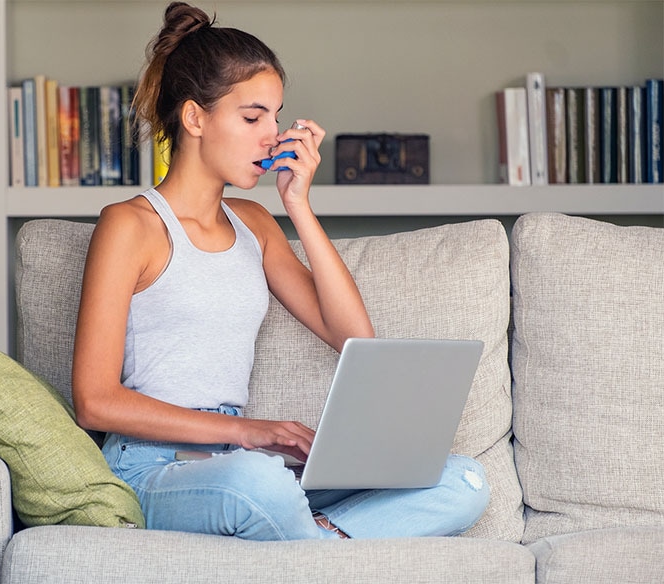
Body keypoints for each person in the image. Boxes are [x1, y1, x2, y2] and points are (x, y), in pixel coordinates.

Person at [71, 1, 489, 540]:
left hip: (245, 464)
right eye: (252, 117)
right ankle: (315, 536)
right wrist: (248, 432)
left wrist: (299, 206)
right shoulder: (129, 225)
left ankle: (311, 539)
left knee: (463, 481)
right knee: (261, 483)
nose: (273, 134)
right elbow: (94, 400)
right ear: (195, 117)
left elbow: (354, 338)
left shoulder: (255, 223)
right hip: (154, 468)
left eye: (276, 115)